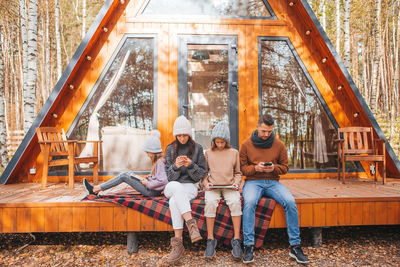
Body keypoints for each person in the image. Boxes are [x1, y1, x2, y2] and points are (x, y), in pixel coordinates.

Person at [240, 113, 310, 264]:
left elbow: (285, 168)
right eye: (264, 131)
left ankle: (295, 246)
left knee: (290, 201)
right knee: (250, 202)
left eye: (269, 131)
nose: (266, 134)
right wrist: (255, 168)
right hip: (253, 182)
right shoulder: (246, 144)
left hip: (273, 182)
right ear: (258, 126)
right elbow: (242, 169)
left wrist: (273, 168)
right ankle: (248, 245)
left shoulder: (279, 144)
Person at [163, 115, 207, 264]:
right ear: (175, 135)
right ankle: (191, 224)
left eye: (185, 135)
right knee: (175, 187)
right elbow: (169, 177)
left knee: (174, 202)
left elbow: (201, 174)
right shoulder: (170, 149)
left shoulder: (198, 149)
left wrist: (190, 165)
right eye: (179, 135)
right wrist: (175, 166)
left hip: (190, 185)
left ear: (189, 134)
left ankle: (178, 245)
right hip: (172, 185)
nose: (182, 138)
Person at [83, 130, 168, 197]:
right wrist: (150, 178)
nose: (148, 155)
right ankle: (96, 189)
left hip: (151, 192)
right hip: (151, 189)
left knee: (124, 176)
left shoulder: (160, 162)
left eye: (148, 152)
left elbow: (163, 181)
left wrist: (148, 183)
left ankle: (95, 190)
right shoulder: (158, 161)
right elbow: (159, 178)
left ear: (154, 151)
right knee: (128, 174)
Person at [202, 122, 243, 260]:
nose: (220, 144)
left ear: (227, 141)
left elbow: (238, 173)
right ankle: (210, 239)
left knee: (236, 202)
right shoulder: (208, 153)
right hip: (213, 187)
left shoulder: (234, 153)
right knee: (210, 203)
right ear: (213, 141)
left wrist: (237, 183)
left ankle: (236, 239)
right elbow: (204, 173)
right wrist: (205, 183)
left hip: (230, 186)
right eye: (217, 142)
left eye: (222, 142)